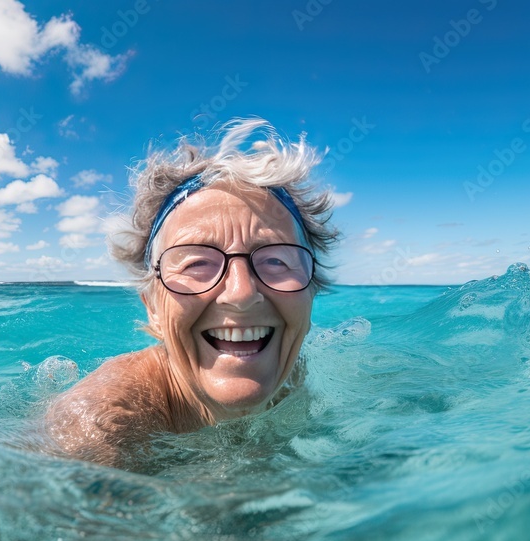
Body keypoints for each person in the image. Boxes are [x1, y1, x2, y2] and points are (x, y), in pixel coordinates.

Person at [45, 119, 339, 468]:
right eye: (197, 263)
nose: (241, 293)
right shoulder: (100, 432)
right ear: (152, 305)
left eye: (276, 259)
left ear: (311, 294)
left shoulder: (295, 372)